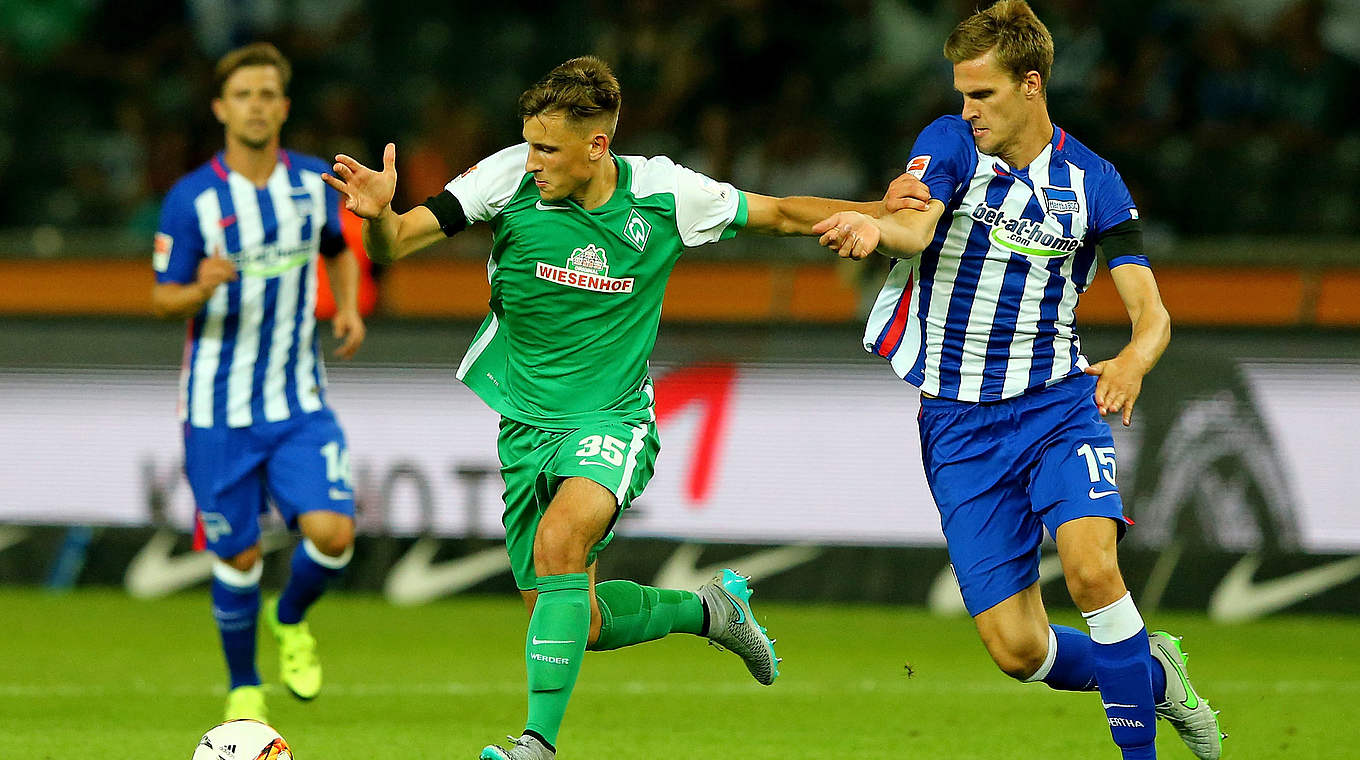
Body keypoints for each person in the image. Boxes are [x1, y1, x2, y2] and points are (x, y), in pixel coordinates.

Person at [320, 56, 930, 760]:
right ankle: (710, 610)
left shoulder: (666, 193)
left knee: (560, 544)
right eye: (530, 142)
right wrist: (376, 216)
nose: (534, 160)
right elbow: (395, 243)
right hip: (524, 424)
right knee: (580, 623)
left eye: (548, 148)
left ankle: (535, 745)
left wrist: (885, 217)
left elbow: (783, 214)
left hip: (613, 419)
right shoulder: (506, 176)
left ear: (597, 145)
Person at [816, 2, 1223, 759]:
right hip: (958, 424)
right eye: (962, 94)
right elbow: (916, 223)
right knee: (1018, 650)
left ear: (1031, 85)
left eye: (983, 95)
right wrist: (877, 229)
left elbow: (1152, 314)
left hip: (1056, 407)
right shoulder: (947, 145)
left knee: (1093, 568)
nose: (966, 110)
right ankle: (1153, 676)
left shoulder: (1094, 181)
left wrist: (1133, 359)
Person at [150, 42, 365, 723]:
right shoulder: (192, 200)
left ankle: (292, 617)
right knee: (237, 552)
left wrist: (352, 306)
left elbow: (339, 251)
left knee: (333, 533)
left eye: (268, 93)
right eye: (243, 94)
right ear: (221, 107)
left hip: (299, 398)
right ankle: (243, 684)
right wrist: (196, 286)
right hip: (216, 407)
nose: (256, 105)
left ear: (284, 107)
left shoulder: (310, 182)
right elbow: (161, 298)